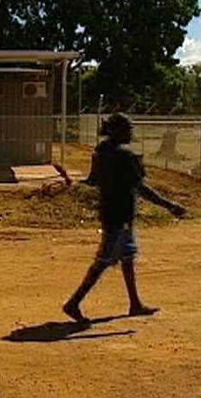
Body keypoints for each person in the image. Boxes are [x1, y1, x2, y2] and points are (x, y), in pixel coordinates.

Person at [63, 113, 186, 323]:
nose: (131, 133)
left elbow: (93, 181)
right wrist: (169, 205)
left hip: (110, 212)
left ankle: (135, 303)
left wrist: (72, 182)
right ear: (117, 131)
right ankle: (73, 303)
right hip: (120, 215)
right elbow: (140, 188)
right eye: (128, 129)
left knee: (127, 257)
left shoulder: (100, 152)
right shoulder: (125, 157)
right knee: (103, 262)